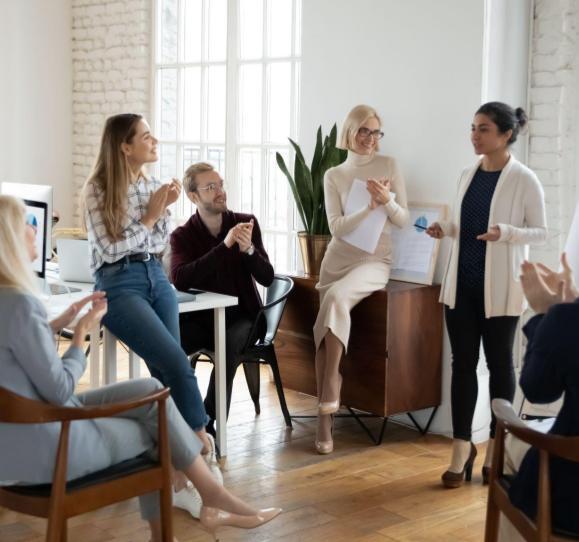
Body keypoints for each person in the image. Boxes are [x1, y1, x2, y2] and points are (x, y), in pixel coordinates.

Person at [0, 195, 282, 542]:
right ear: (10, 240)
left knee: (153, 391)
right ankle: (193, 512)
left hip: (9, 448)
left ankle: (200, 503)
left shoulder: (10, 302)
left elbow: (13, 352)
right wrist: (79, 339)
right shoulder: (21, 303)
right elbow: (59, 390)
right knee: (158, 429)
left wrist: (58, 322)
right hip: (49, 448)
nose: (37, 232)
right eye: (28, 226)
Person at [82, 113, 218, 516]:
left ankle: (178, 476)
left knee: (166, 370)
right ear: (124, 147)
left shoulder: (148, 186)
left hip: (156, 278)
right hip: (118, 285)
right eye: (145, 136)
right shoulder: (98, 189)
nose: (154, 140)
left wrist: (156, 214)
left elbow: (159, 241)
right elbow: (108, 251)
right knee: (176, 361)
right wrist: (153, 215)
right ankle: (200, 447)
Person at [425, 102, 548, 488]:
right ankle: (462, 448)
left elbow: (541, 231)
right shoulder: (467, 174)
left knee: (499, 368)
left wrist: (506, 232)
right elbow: (464, 225)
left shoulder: (525, 179)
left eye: (483, 129)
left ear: (505, 135)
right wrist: (445, 227)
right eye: (473, 128)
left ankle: (497, 447)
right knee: (462, 366)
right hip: (461, 288)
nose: (474, 136)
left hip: (501, 291)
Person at [312, 104, 409, 454]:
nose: (370, 139)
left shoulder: (389, 166)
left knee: (336, 300)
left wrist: (386, 201)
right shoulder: (334, 174)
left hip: (374, 260)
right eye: (363, 131)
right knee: (326, 325)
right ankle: (326, 415)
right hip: (337, 259)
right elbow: (336, 226)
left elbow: (403, 219)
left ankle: (330, 391)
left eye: (375, 132)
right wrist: (368, 208)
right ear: (350, 133)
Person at [170, 162, 274, 435]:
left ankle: (207, 422)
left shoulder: (246, 223)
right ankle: (175, 415)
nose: (220, 192)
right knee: (165, 343)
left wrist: (248, 249)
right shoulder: (182, 236)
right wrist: (225, 246)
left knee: (227, 345)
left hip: (246, 318)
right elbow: (180, 277)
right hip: (202, 320)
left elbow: (267, 277)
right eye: (210, 187)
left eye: (221, 185)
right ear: (193, 197)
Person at [501, 254, 579, 538]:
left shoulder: (568, 319)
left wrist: (547, 314)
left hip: (570, 499)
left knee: (512, 447)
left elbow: (538, 390)